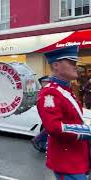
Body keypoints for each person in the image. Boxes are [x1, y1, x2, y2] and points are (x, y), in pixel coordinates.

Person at [37, 45, 91, 180]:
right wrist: (88, 131)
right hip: (66, 161)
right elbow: (54, 127)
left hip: (77, 157)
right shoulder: (49, 93)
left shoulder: (66, 89)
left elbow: (74, 119)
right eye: (71, 63)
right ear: (56, 65)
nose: (75, 66)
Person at [31, 76, 50, 153]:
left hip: (47, 111)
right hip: (44, 111)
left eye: (47, 82)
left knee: (47, 128)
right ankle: (37, 139)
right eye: (45, 82)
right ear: (42, 83)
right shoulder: (41, 91)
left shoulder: (47, 90)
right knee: (49, 127)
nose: (47, 83)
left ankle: (42, 145)